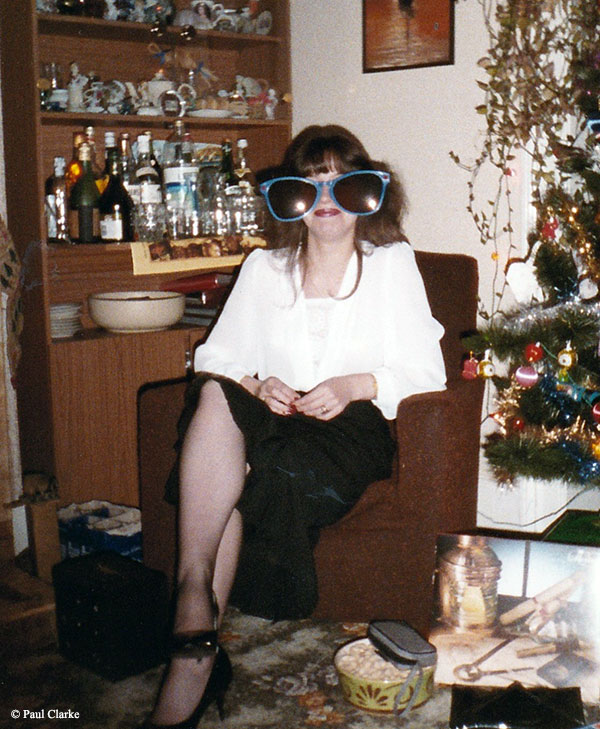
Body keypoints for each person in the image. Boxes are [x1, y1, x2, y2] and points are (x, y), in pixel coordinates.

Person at [142, 124, 447, 728]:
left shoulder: (392, 266)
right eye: (309, 186)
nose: (326, 200)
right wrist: (259, 386)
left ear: (368, 194)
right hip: (270, 417)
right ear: (290, 201)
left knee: (232, 471)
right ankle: (195, 626)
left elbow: (426, 370)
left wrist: (354, 384)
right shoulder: (264, 269)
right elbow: (216, 359)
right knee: (214, 397)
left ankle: (193, 641)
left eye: (341, 183)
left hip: (347, 432)